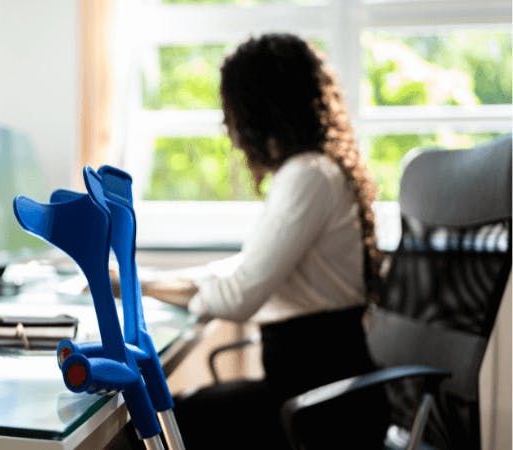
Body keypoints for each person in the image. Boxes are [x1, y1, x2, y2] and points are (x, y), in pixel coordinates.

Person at [148, 33, 389, 449]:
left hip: (321, 407)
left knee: (163, 423)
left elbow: (238, 296)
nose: (227, 126)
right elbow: (239, 271)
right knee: (172, 415)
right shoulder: (311, 172)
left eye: (231, 111)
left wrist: (191, 296)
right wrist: (141, 281)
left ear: (258, 110)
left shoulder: (308, 175)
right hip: (318, 394)